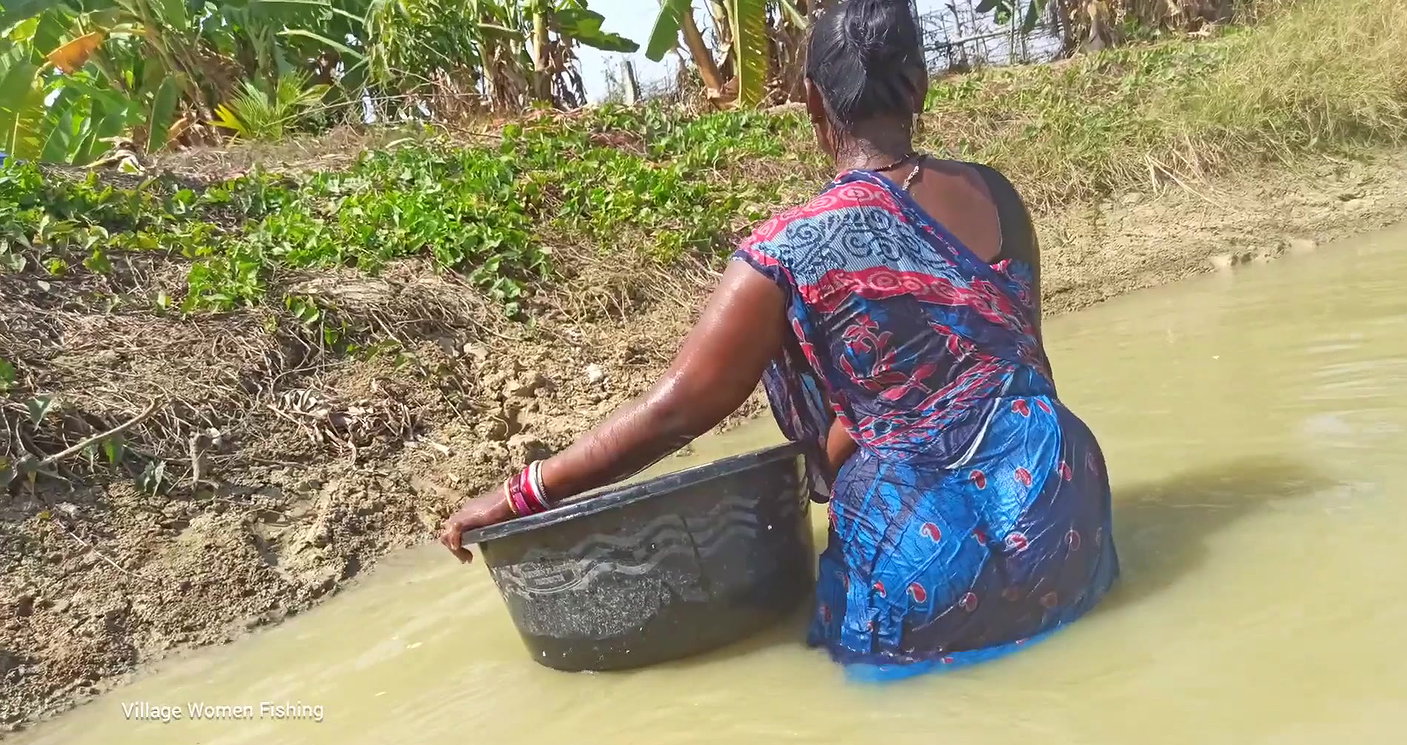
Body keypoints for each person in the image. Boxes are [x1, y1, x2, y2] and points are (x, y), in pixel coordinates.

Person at [440, 0, 1119, 680]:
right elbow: (1018, 371)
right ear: (919, 85)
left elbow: (675, 411)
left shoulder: (782, 254)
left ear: (813, 104)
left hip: (919, 555)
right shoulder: (995, 195)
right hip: (1061, 505)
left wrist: (521, 495)